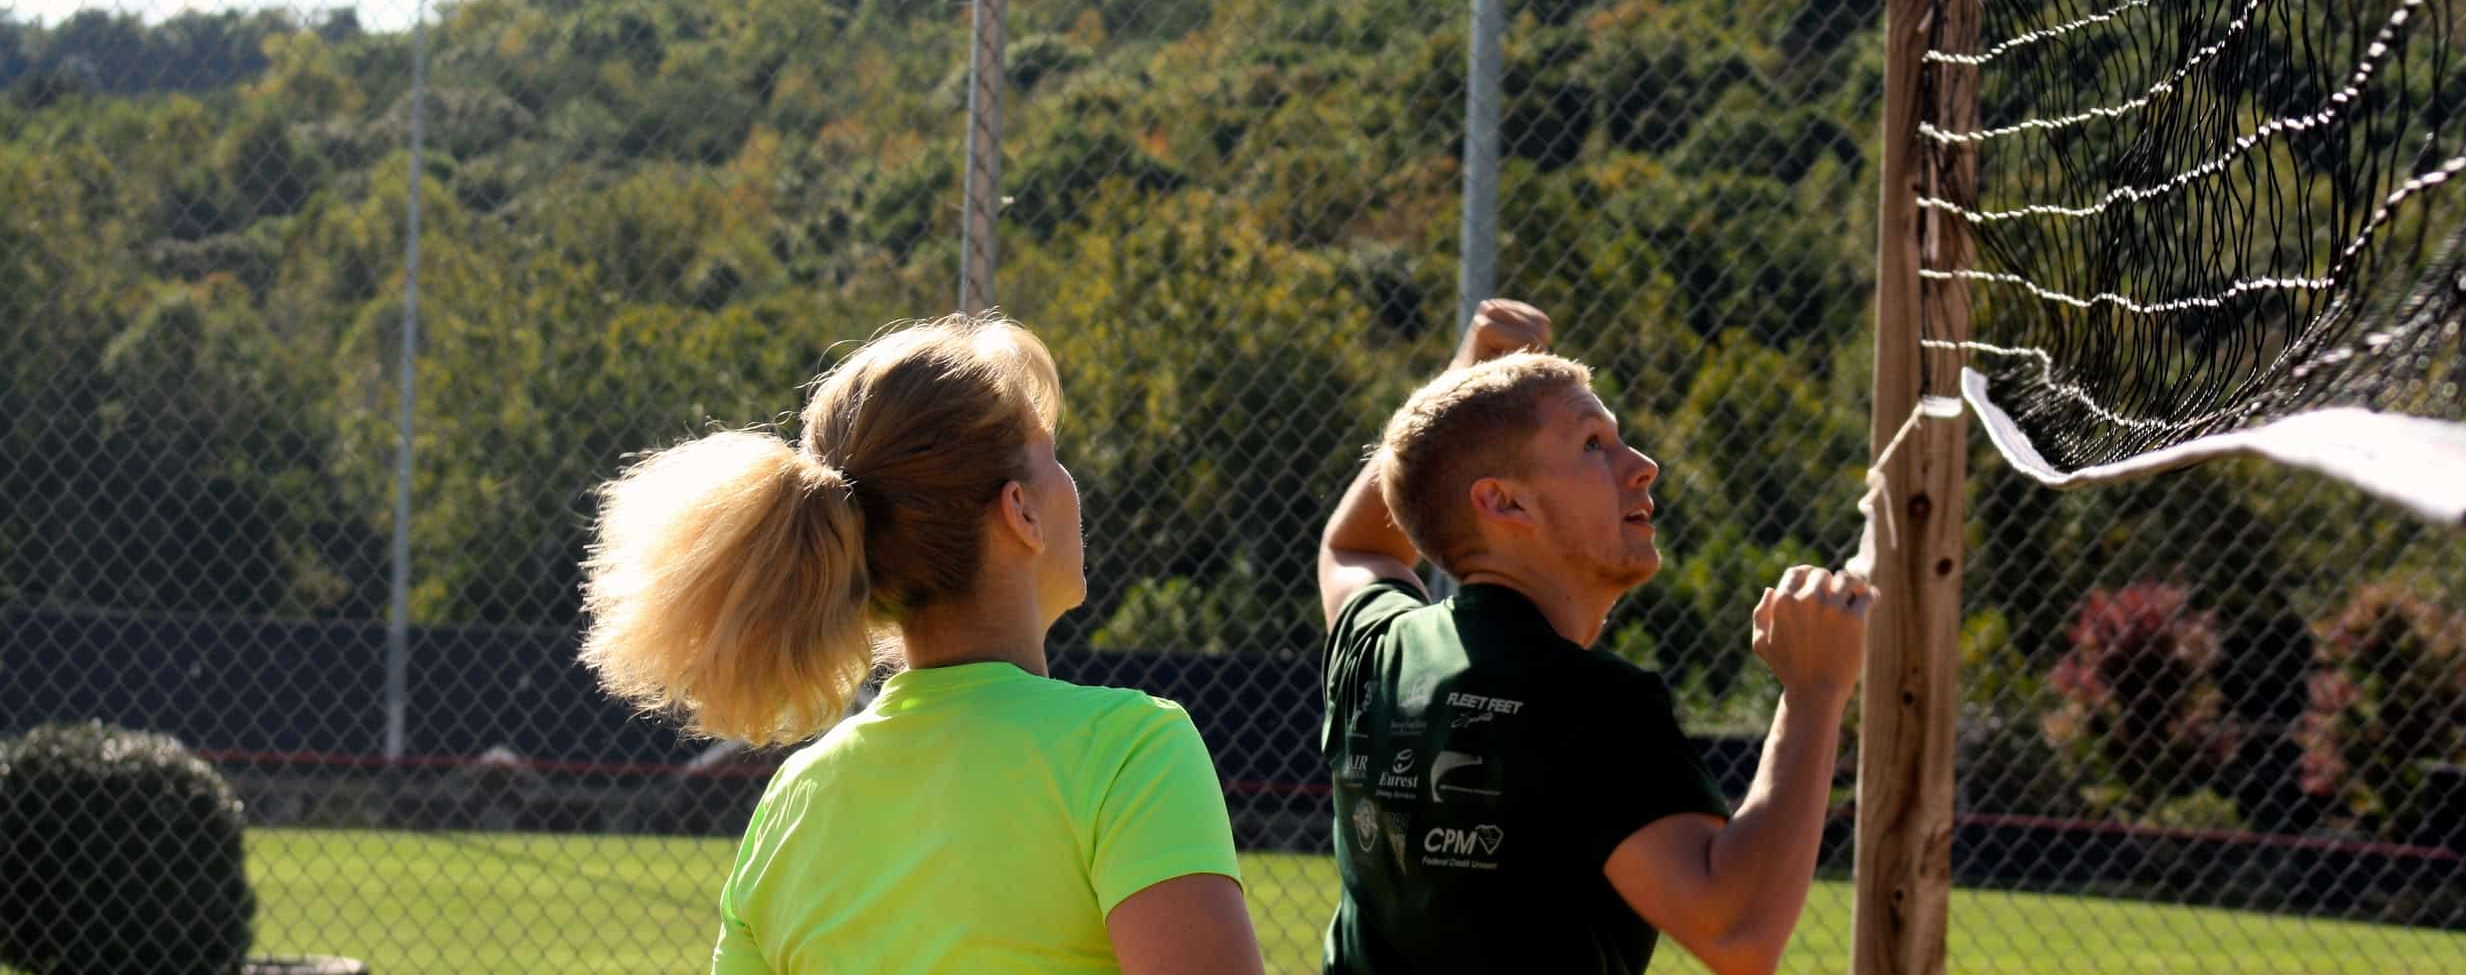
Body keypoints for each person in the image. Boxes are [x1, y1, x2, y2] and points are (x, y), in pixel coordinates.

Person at [581, 313, 1264, 975]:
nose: (1070, 482)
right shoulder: (1133, 753)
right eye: (1053, 456)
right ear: (1020, 510)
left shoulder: (794, 802)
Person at [1314, 299, 1872, 975]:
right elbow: (1738, 930)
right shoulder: (1592, 703)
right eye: (1592, 444)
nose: (1642, 465)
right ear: (1504, 502)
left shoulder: (1380, 650)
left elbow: (1352, 547)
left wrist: (1457, 389)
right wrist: (1814, 690)